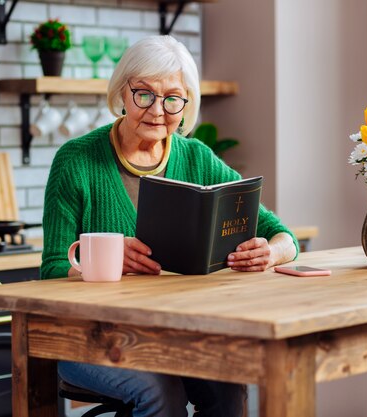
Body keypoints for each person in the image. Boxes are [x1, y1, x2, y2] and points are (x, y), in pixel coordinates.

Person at [41, 35, 298, 417]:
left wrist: (271, 251)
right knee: (161, 392)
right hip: (88, 338)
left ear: (186, 103)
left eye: (172, 98)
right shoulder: (75, 161)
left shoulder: (196, 157)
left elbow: (284, 236)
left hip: (173, 336)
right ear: (122, 92)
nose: (158, 110)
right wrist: (104, 265)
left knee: (228, 386)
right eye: (144, 94)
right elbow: (49, 272)